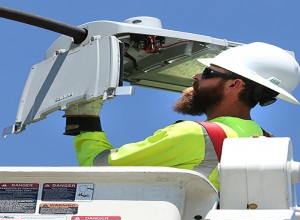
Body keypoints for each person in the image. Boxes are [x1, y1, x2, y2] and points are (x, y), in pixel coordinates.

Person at [63, 42, 300, 191]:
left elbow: (100, 168)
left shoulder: (195, 135)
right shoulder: (265, 141)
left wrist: (85, 118)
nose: (196, 76)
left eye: (208, 72)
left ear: (234, 85)